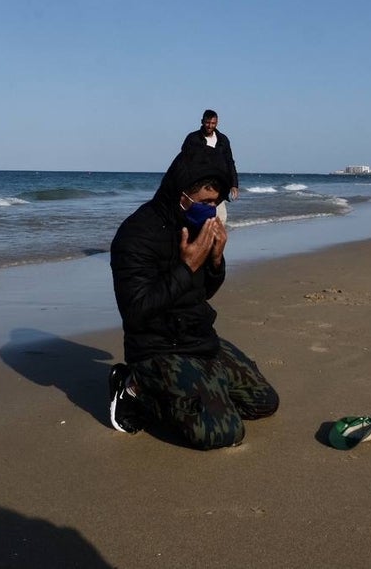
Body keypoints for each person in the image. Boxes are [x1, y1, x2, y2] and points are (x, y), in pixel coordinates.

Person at [107, 148, 279, 449]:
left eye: (216, 203)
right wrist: (186, 267)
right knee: (223, 433)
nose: (211, 210)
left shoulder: (197, 225)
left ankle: (200, 391)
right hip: (156, 347)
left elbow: (204, 293)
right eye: (205, 202)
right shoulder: (136, 234)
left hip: (197, 338)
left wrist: (214, 261)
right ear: (181, 194)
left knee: (264, 403)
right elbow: (135, 312)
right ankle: (134, 388)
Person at [182, 109, 239, 223]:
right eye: (207, 123)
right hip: (198, 186)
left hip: (218, 186)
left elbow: (229, 162)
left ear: (217, 123)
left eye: (213, 123)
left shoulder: (223, 140)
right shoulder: (193, 138)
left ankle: (214, 240)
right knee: (197, 220)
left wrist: (234, 184)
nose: (210, 126)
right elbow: (183, 162)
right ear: (202, 121)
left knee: (220, 219)